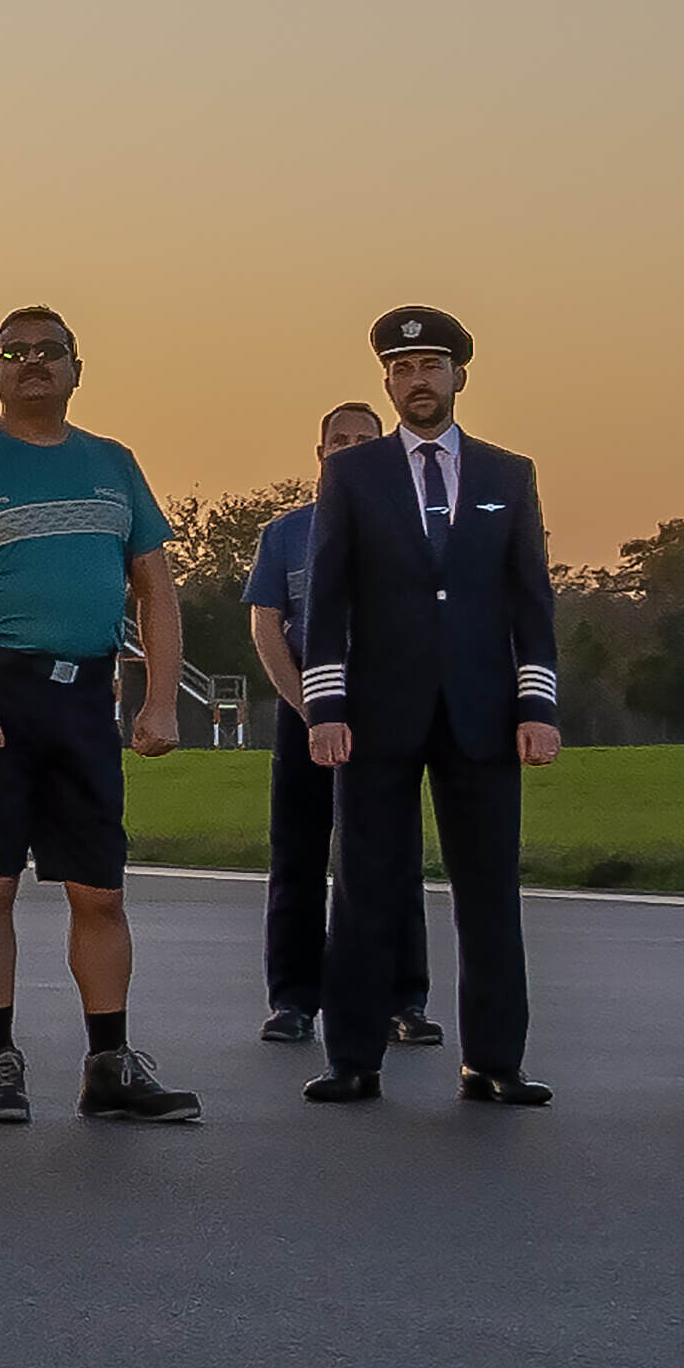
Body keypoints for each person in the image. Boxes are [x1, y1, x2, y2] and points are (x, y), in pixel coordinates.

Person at [0, 306, 198, 1127]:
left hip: (84, 695)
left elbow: (154, 585)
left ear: (75, 365)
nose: (32, 364)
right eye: (13, 354)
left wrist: (161, 698)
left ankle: (108, 1063)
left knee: (98, 891)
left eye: (48, 352)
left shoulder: (112, 464)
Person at [287, 303, 556, 1111]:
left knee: (489, 891)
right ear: (387, 381)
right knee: (365, 885)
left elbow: (530, 598)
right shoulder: (353, 474)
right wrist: (324, 704)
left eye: (429, 366)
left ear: (457, 376)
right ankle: (353, 1058)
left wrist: (536, 704)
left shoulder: (508, 474)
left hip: (481, 711)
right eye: (401, 369)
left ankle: (493, 1061)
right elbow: (325, 597)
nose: (416, 380)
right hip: (373, 712)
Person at [241, 400, 420, 1048]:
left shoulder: (411, 529)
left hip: (385, 714)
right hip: (307, 713)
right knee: (297, 855)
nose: (347, 449)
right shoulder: (285, 533)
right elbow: (265, 623)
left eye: (362, 441)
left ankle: (403, 998)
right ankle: (292, 999)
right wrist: (305, 705)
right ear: (318, 453)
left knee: (389, 856)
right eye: (336, 441)